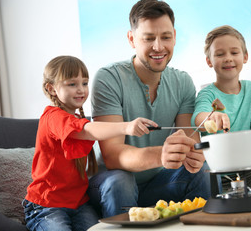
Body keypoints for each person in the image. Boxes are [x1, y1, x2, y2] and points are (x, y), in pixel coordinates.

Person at [88, 0, 210, 218]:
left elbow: (190, 141)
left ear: (174, 36)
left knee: (201, 170)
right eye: (149, 38)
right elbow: (113, 155)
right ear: (131, 39)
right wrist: (161, 155)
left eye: (165, 37)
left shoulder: (182, 82)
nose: (158, 47)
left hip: (160, 182)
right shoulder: (108, 78)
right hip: (112, 182)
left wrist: (194, 154)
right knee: (121, 180)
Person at [23, 56, 157, 231]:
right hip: (47, 206)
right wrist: (127, 127)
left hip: (79, 204)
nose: (80, 90)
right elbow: (86, 130)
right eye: (72, 84)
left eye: (84, 83)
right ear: (52, 88)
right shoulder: (52, 117)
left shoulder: (77, 118)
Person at [191, 25, 251, 190]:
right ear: (209, 61)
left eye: (234, 52)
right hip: (216, 177)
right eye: (220, 54)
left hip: (250, 173)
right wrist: (210, 117)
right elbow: (198, 117)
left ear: (245, 56)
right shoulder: (206, 94)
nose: (228, 58)